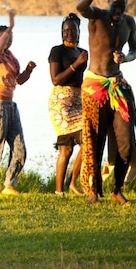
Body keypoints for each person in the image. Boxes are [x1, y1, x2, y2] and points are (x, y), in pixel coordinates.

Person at [76, 0, 136, 205]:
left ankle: (117, 189)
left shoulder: (129, 23)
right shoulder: (97, 17)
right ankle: (94, 188)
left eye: (122, 8)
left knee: (125, 142)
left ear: (126, 6)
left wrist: (125, 58)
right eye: (115, 6)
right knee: (95, 139)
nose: (118, 11)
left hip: (116, 85)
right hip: (94, 86)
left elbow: (135, 50)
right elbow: (80, 7)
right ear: (109, 2)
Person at [0, 10, 36, 195]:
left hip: (11, 106)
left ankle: (9, 185)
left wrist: (28, 70)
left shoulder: (12, 58)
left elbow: (19, 81)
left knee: (19, 147)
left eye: (11, 36)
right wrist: (10, 26)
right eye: (5, 37)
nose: (9, 39)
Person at [48, 13, 89, 196]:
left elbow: (81, 80)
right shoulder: (57, 51)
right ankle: (59, 191)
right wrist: (76, 64)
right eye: (66, 30)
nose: (69, 33)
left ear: (79, 31)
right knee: (66, 148)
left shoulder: (81, 52)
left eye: (73, 30)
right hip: (61, 103)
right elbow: (55, 80)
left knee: (89, 142)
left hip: (78, 101)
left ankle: (72, 182)